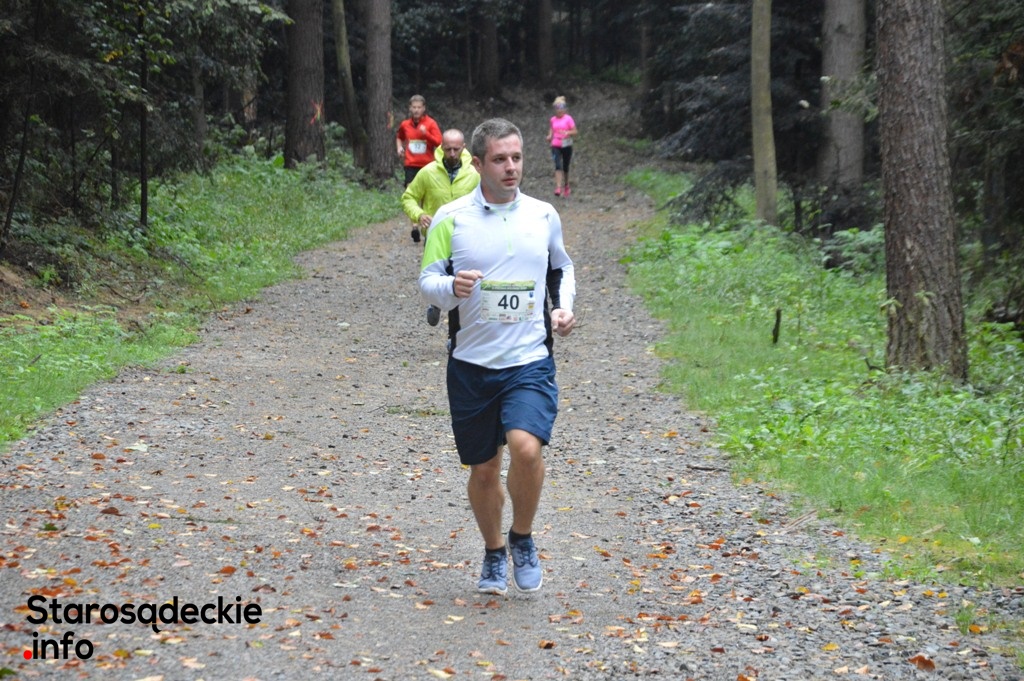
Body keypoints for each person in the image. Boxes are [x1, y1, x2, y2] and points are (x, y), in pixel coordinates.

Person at [418, 118, 576, 595]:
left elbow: (561, 267)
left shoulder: (543, 215)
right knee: (485, 469)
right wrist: (452, 286)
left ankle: (521, 537)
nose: (511, 167)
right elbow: (428, 282)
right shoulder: (450, 218)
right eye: (500, 159)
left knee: (526, 447)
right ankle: (493, 552)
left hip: (528, 360)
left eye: (517, 158)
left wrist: (563, 307)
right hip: (471, 365)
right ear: (478, 163)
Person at [402, 129, 481, 326]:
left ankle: (456, 327)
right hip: (435, 234)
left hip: (465, 235)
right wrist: (419, 215)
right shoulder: (428, 172)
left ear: (463, 148)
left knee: (461, 281)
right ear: (441, 148)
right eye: (448, 149)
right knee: (437, 276)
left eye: (456, 149)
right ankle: (436, 303)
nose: (452, 154)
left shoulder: (474, 174)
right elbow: (409, 197)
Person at [395, 95, 443, 206]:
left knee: (425, 194)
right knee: (410, 192)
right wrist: (399, 147)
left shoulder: (431, 123)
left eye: (419, 107)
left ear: (424, 108)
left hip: (427, 165)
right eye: (414, 107)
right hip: (410, 164)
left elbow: (440, 143)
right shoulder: (405, 124)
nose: (416, 110)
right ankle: (413, 216)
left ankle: (424, 214)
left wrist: (426, 134)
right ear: (410, 108)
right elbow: (399, 137)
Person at [545, 96, 577, 197]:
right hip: (556, 145)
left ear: (565, 108)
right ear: (555, 109)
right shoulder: (553, 119)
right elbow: (552, 129)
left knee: (565, 166)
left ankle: (566, 185)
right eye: (557, 108)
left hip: (566, 144)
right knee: (558, 165)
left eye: (562, 107)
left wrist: (567, 132)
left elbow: (575, 131)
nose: (560, 110)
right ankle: (558, 187)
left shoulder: (568, 119)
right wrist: (549, 136)